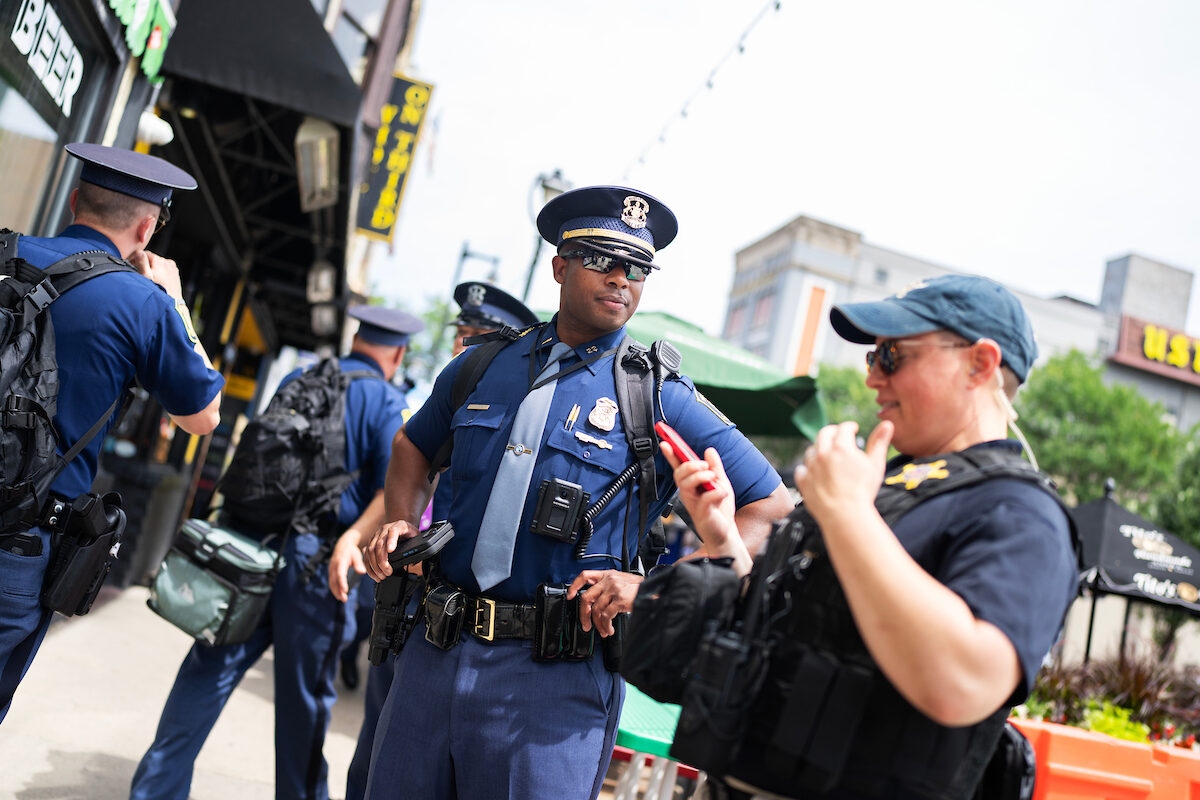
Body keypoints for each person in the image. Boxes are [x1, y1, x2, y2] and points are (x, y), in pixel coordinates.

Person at [361, 185, 793, 799]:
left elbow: (769, 507)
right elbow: (413, 446)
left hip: (552, 684)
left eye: (638, 268)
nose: (623, 279)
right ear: (560, 266)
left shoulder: (656, 394)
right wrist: (402, 519)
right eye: (604, 260)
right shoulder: (483, 366)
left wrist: (658, 589)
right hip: (433, 652)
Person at [664, 275, 1079, 799]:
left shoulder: (1020, 511)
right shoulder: (884, 484)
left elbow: (966, 681)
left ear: (980, 364)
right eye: (872, 358)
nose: (872, 379)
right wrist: (723, 537)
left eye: (892, 357)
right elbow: (804, 624)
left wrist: (847, 514)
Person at [130, 305, 423, 800]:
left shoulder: (300, 376)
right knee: (302, 706)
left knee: (205, 675)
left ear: (356, 338)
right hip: (317, 568)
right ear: (397, 353)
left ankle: (154, 792)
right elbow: (391, 489)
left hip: (249, 551)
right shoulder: (386, 401)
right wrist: (353, 538)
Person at [0, 143, 224, 724]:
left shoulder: (6, 255)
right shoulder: (144, 303)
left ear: (75, 200)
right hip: (19, 545)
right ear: (147, 229)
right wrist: (177, 304)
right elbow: (204, 417)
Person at [330, 281, 539, 800]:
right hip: (412, 602)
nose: (461, 348)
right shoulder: (452, 400)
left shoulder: (519, 408)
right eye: (460, 335)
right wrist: (357, 537)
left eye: (476, 336)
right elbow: (408, 470)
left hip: (469, 617)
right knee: (378, 754)